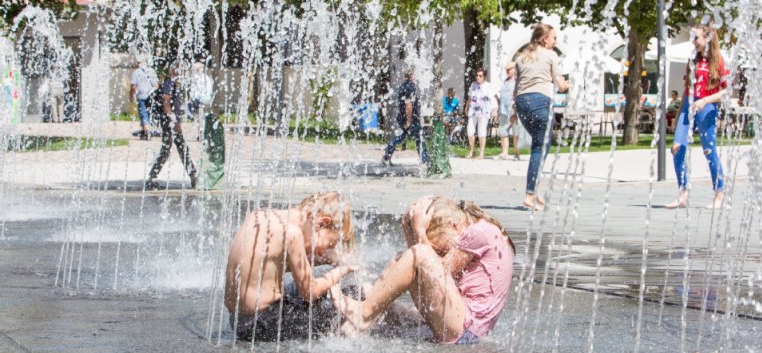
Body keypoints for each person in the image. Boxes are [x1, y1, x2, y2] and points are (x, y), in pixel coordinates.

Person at [331, 197, 514, 344]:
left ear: (452, 225)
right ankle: (364, 317)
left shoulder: (477, 232)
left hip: (466, 330)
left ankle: (363, 314)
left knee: (421, 253)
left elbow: (435, 268)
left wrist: (419, 232)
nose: (440, 252)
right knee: (400, 260)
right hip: (460, 323)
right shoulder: (477, 230)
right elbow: (420, 271)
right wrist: (409, 229)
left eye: (441, 249)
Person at [224, 191, 357, 342]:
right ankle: (348, 334)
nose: (323, 251)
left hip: (239, 320)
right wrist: (342, 269)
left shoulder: (260, 215)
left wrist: (324, 260)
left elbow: (272, 265)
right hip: (262, 324)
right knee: (354, 294)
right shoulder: (292, 233)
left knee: (300, 288)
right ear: (322, 223)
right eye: (329, 244)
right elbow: (310, 292)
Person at [666, 24, 730, 210]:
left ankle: (719, 193)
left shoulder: (718, 61)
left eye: (696, 38)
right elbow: (688, 90)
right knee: (677, 148)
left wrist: (705, 101)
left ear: (707, 40)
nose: (693, 41)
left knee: (709, 151)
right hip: (688, 105)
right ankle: (683, 194)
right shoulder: (693, 58)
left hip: (707, 106)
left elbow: (726, 91)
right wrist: (679, 115)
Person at [513, 24, 569, 210]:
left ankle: (535, 190)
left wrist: (514, 111)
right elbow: (560, 85)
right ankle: (530, 194)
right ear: (545, 39)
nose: (556, 41)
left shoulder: (521, 57)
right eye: (554, 38)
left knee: (540, 145)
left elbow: (517, 86)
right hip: (541, 102)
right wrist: (567, 84)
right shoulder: (551, 55)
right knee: (539, 147)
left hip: (522, 104)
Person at [145, 61, 198, 189]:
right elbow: (166, 101)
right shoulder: (169, 83)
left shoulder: (176, 84)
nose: (183, 72)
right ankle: (152, 178)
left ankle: (193, 176)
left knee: (175, 149)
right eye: (180, 70)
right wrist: (173, 120)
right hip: (169, 123)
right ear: (174, 71)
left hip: (172, 123)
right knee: (173, 150)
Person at [382, 70, 428, 166]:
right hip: (411, 118)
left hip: (403, 116)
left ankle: (386, 156)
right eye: (414, 75)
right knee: (419, 137)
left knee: (402, 137)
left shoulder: (403, 86)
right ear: (412, 76)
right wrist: (409, 120)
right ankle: (425, 160)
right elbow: (408, 103)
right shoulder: (411, 86)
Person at [464, 69, 495, 159]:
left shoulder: (488, 86)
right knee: (470, 130)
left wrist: (494, 109)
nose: (478, 77)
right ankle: (472, 151)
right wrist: (466, 107)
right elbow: (470, 97)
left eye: (480, 76)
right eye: (477, 75)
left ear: (484, 77)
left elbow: (493, 97)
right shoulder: (473, 85)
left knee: (481, 131)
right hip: (473, 110)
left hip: (484, 112)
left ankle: (481, 153)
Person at [130, 56, 159, 140]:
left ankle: (146, 132)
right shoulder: (152, 71)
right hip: (151, 96)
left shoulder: (137, 72)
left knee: (143, 113)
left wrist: (131, 95)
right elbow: (156, 85)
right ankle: (145, 130)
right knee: (149, 113)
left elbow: (133, 86)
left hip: (141, 95)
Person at [498, 62, 521, 160]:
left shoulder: (518, 82)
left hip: (514, 111)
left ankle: (516, 153)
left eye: (510, 69)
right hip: (503, 110)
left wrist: (516, 111)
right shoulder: (505, 81)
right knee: (503, 132)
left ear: (515, 69)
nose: (507, 71)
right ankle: (505, 153)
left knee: (516, 133)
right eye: (506, 69)